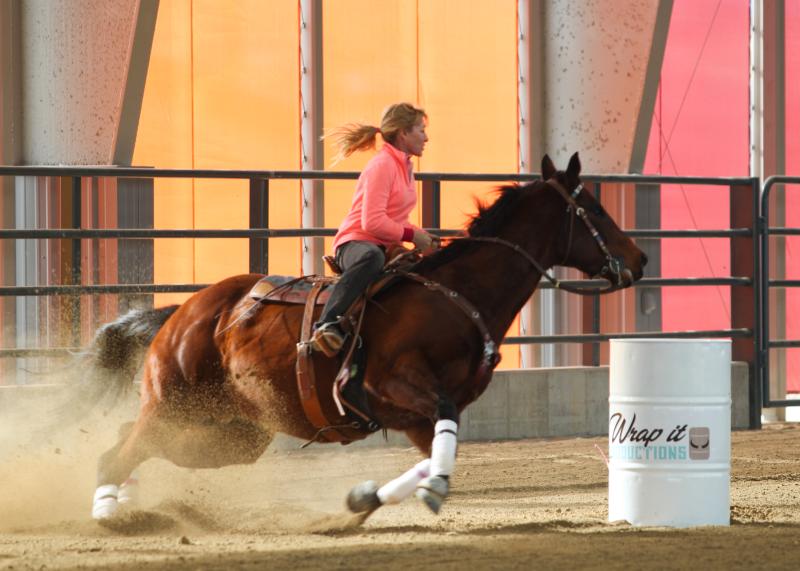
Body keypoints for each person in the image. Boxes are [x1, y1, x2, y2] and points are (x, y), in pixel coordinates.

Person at [310, 102, 439, 357]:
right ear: (403, 133)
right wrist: (414, 236)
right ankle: (326, 324)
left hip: (381, 244)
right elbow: (372, 222)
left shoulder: (403, 165)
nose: (426, 137)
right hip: (355, 244)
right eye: (420, 130)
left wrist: (423, 237)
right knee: (371, 257)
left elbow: (396, 218)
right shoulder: (383, 165)